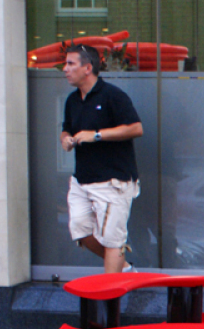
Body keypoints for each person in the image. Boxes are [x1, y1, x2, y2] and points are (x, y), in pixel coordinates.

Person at [60, 44, 144, 274]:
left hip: (112, 180)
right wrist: (66, 140)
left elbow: (136, 128)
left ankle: (110, 301)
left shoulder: (113, 96)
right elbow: (65, 129)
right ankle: (124, 269)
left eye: (70, 64)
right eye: (65, 64)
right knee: (80, 231)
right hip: (81, 180)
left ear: (87, 68)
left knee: (112, 241)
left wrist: (96, 135)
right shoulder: (72, 100)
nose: (65, 69)